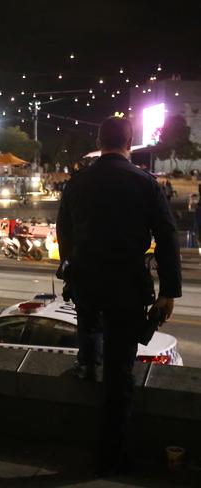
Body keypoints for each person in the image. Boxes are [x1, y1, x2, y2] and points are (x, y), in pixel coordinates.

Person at [57, 117, 181, 476]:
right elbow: (168, 236)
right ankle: (112, 456)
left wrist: (70, 266)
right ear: (129, 142)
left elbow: (63, 231)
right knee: (119, 373)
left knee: (91, 349)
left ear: (100, 140)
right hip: (127, 287)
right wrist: (169, 290)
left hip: (87, 285)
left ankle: (86, 360)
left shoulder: (78, 183)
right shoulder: (144, 183)